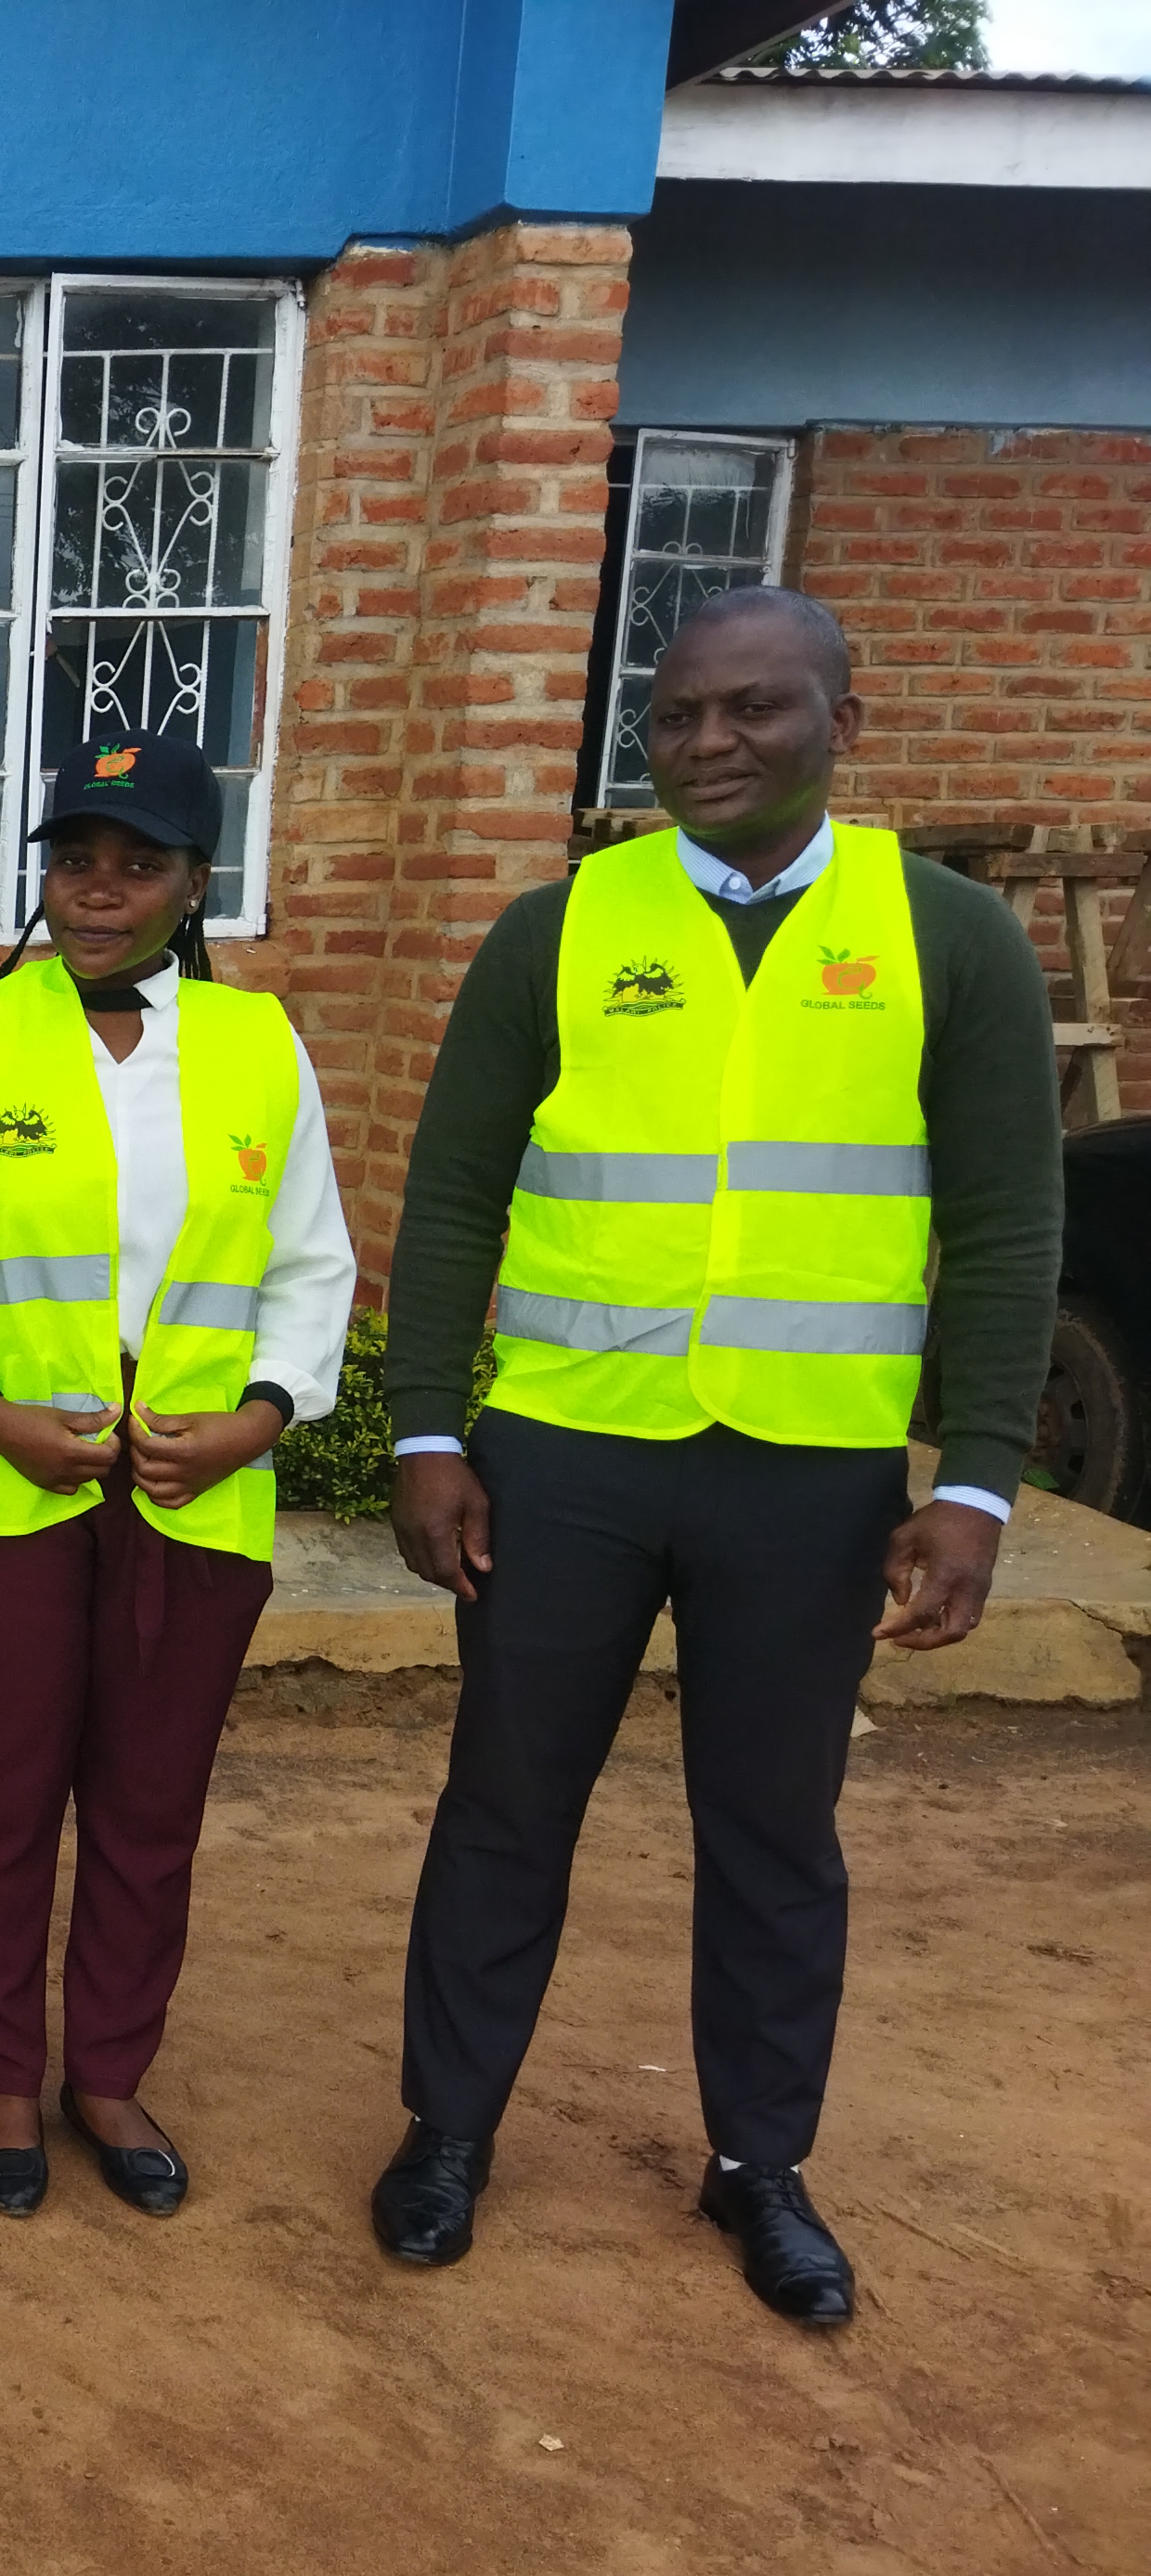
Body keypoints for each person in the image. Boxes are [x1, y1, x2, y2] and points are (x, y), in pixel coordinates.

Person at [369, 586, 1059, 2324]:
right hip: (565, 1458)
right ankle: (448, 2129)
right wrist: (430, 1428)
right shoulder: (562, 928)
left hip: (807, 1476)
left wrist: (974, 1477)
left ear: (844, 716)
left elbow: (1001, 1224)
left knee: (774, 1827)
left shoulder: (951, 938)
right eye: (675, 718)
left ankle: (760, 2164)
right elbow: (455, 1189)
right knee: (507, 1807)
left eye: (753, 710)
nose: (708, 746)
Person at [0, 731, 355, 2220]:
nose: (99, 892)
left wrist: (262, 1418)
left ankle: (110, 2073)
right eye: (75, 861)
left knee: (151, 1803)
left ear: (195, 883)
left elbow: (311, 1265)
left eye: (139, 865)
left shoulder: (260, 1049)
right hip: (3, 1484)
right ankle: (3, 2070)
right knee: (3, 1798)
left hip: (203, 1491)